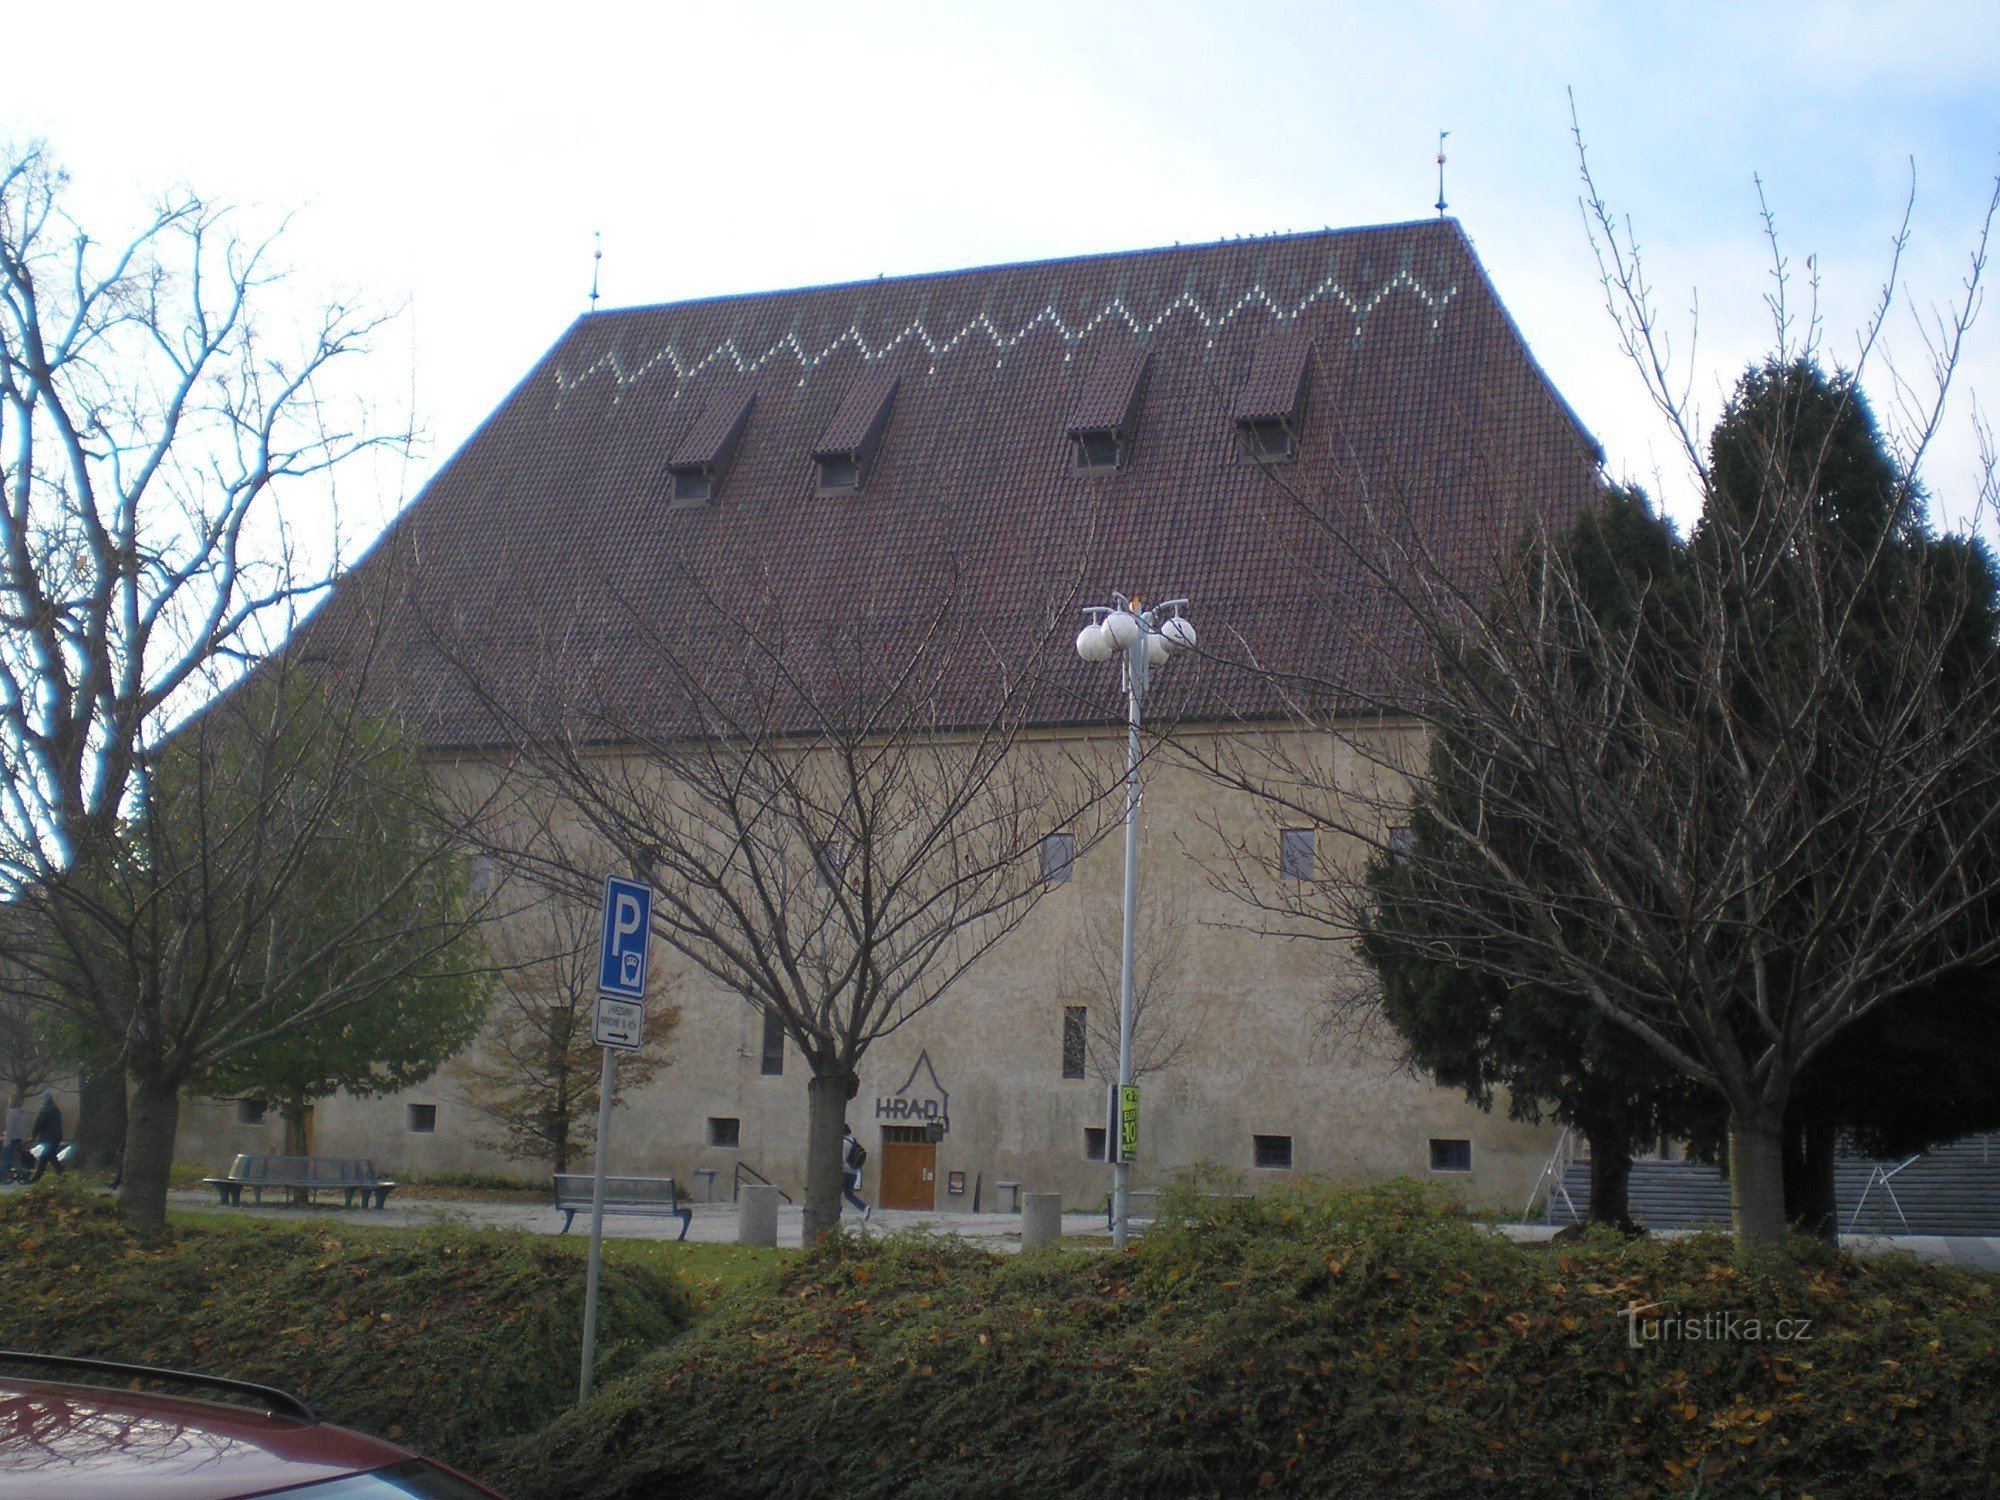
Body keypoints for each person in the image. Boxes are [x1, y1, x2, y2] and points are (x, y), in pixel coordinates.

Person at [27, 1092, 63, 1183]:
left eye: (42, 1099)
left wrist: (33, 1135)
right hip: (55, 1137)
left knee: (50, 1157)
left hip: (47, 1138)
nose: (41, 1101)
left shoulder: (45, 1110)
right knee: (46, 1157)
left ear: (45, 1100)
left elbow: (39, 1123)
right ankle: (37, 1177)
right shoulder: (55, 1109)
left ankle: (61, 1176)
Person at [841, 1123, 870, 1222]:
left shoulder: (844, 1143)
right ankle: (864, 1208)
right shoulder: (853, 1140)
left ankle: (835, 1211)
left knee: (834, 1193)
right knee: (849, 1195)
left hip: (844, 1172)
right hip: (854, 1172)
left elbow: (842, 1160)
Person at [3, 1097, 26, 1181]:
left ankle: (4, 1177)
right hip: (18, 1139)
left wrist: (6, 1140)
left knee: (5, 1158)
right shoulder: (22, 1113)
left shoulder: (12, 1113)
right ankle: (23, 1172)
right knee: (15, 1158)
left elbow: (10, 1128)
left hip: (11, 1139)